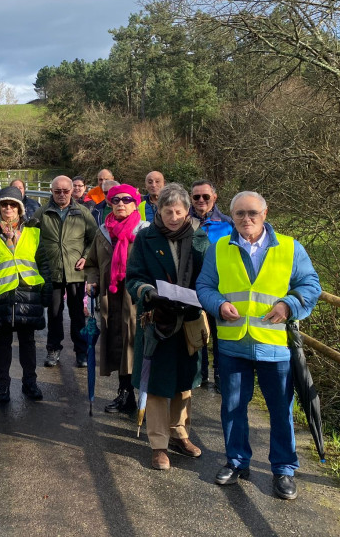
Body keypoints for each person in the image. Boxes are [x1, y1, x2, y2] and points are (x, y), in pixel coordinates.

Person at [197, 191, 320, 500]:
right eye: (239, 214)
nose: (246, 219)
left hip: (275, 345)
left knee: (281, 409)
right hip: (233, 343)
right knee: (233, 407)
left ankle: (284, 469)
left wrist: (290, 305)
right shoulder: (219, 248)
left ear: (265, 214)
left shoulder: (291, 248)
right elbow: (204, 286)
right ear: (232, 216)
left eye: (252, 213)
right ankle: (237, 461)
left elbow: (310, 286)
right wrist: (218, 304)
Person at [127, 183, 207, 470]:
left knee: (185, 381)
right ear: (158, 210)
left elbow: (208, 278)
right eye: (167, 210)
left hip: (189, 318)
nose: (173, 216)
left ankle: (180, 434)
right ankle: (158, 444)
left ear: (187, 212)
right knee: (159, 383)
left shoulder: (200, 240)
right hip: (157, 318)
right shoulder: (145, 239)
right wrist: (148, 292)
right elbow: (133, 277)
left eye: (179, 211)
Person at [0, 185, 51, 403]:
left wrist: (47, 292)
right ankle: (3, 388)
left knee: (28, 344)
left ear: (19, 209)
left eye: (13, 205)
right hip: (2, 296)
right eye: (4, 205)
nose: (8, 208)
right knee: (2, 346)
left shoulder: (33, 232)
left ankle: (30, 383)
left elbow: (44, 265)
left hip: (29, 294)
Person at [84, 184, 150, 413]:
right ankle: (124, 393)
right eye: (115, 200)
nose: (121, 203)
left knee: (135, 345)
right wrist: (91, 280)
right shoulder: (102, 231)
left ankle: (141, 396)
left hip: (136, 299)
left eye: (126, 199)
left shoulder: (145, 231)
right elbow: (91, 263)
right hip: (110, 298)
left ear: (135, 203)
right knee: (117, 346)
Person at [32, 175, 97, 368]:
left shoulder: (83, 213)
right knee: (54, 313)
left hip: (76, 272)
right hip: (52, 272)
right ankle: (53, 349)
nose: (61, 195)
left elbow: (94, 238)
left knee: (77, 314)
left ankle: (81, 352)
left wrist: (86, 256)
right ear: (51, 191)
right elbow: (31, 240)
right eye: (57, 191)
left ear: (72, 191)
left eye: (65, 191)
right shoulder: (41, 213)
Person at [189, 179, 233, 389]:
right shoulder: (183, 221)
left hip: (219, 288)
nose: (201, 200)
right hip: (191, 285)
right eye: (196, 196)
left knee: (219, 333)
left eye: (206, 196)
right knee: (196, 331)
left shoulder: (227, 224)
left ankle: (220, 375)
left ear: (214, 198)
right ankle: (199, 374)